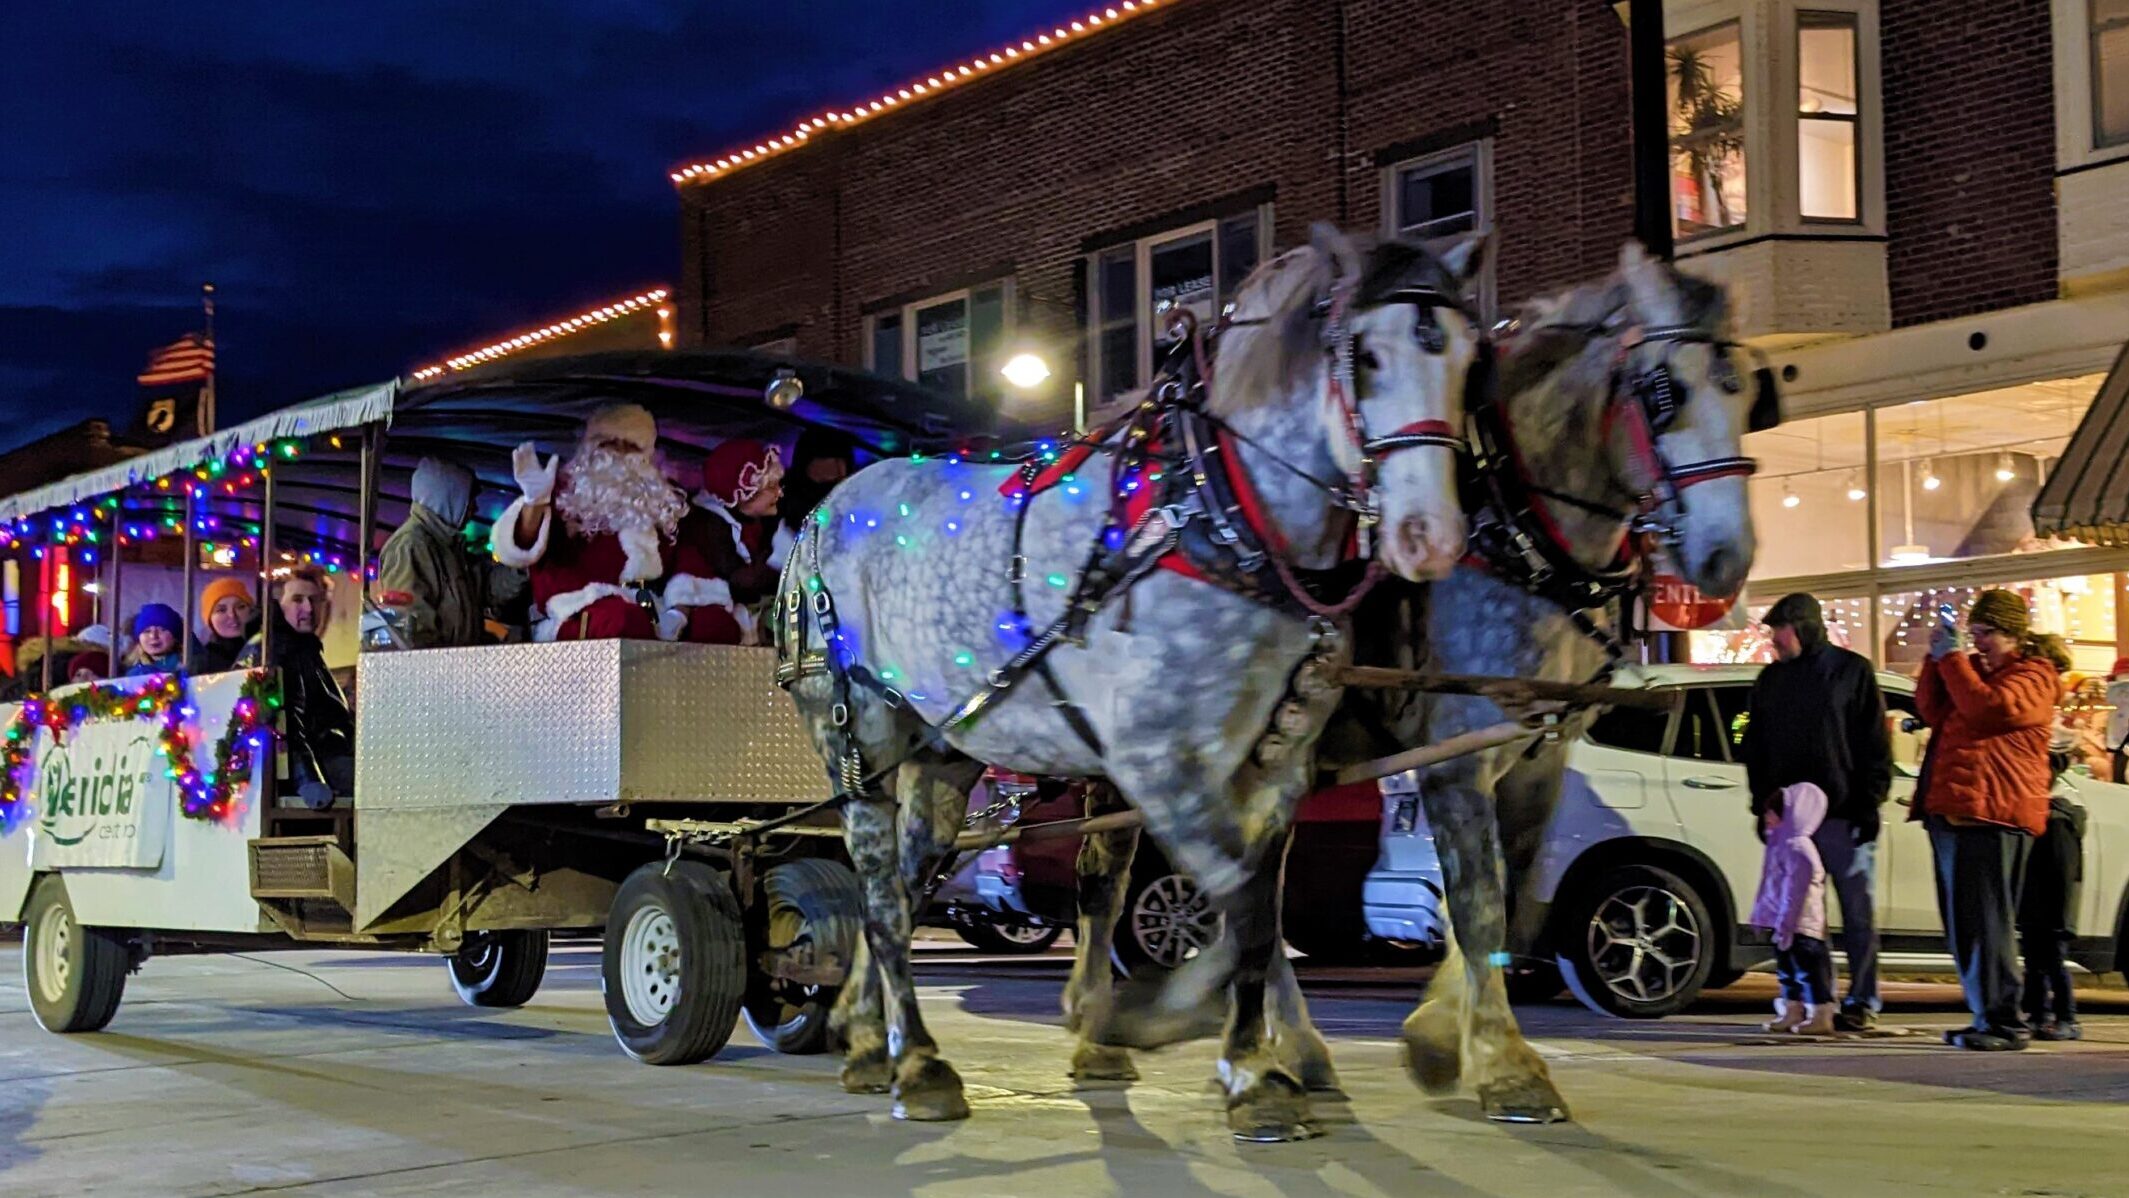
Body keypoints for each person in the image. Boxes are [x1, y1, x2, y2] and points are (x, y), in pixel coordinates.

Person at [1914, 588, 2058, 1051]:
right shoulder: (1974, 671)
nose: (1979, 643)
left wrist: (1953, 659)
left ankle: (2005, 1022)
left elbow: (1989, 709)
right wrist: (1937, 659)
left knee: (1989, 925)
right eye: (1973, 633)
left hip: (1994, 814)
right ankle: (1986, 1016)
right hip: (1957, 812)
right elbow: (1933, 709)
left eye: (1987, 633)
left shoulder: (2034, 676)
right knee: (1967, 927)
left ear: (2015, 634)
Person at [1740, 592, 1891, 1031]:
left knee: (1857, 912)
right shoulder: (1770, 681)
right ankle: (1814, 1000)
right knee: (1802, 917)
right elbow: (1755, 746)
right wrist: (1762, 802)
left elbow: (1873, 743)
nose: (1773, 640)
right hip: (1790, 820)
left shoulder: (1851, 672)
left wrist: (1870, 801)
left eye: (1778, 630)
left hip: (1844, 814)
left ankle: (1862, 1000)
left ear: (1803, 626)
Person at [492, 404, 688, 641]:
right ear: (590, 446)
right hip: (577, 614)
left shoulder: (660, 501)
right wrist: (534, 502)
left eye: (631, 446)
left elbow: (688, 564)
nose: (619, 453)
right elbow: (522, 546)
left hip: (651, 612)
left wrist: (680, 611)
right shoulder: (564, 493)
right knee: (622, 619)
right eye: (609, 443)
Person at [239, 566, 354, 805]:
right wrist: (308, 778)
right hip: (314, 765)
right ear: (280, 604)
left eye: (315, 600)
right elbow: (289, 720)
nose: (309, 609)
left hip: (324, 757)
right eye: (298, 600)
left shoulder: (305, 648)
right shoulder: (279, 648)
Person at [662, 439, 785, 644]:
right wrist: (781, 557)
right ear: (742, 491)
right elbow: (740, 580)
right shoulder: (709, 523)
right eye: (770, 487)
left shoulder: (752, 525)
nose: (779, 492)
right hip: (700, 604)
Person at [373, 457, 490, 649]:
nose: (475, 508)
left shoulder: (449, 549)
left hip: (457, 671)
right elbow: (409, 632)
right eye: (469, 500)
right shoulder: (410, 546)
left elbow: (487, 589)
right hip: (437, 674)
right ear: (448, 498)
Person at [1749, 783, 1837, 1036]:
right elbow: (1770, 887)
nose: (1767, 818)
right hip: (1784, 925)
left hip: (1802, 926)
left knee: (1809, 971)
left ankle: (1820, 1013)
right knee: (1788, 971)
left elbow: (1794, 894)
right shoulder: (1780, 845)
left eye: (1773, 812)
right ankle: (1792, 1010)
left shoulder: (1799, 849)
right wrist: (1763, 917)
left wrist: (1786, 925)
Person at [2021, 738, 2088, 1041]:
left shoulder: (2059, 820)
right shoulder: (2043, 814)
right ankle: (2037, 1014)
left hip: (2050, 909)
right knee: (2036, 964)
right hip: (2037, 906)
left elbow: (2064, 874)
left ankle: (2067, 1018)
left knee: (2052, 963)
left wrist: (2062, 919)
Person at [196, 577, 258, 673]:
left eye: (240, 607)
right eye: (221, 610)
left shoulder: (266, 649)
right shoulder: (202, 662)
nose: (232, 615)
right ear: (209, 619)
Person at [123, 603, 187, 676]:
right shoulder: (129, 671)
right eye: (147, 631)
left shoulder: (190, 665)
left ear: (175, 637)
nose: (153, 636)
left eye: (162, 630)